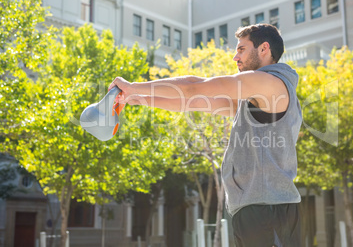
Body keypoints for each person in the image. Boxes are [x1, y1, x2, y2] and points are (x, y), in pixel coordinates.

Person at [109, 23, 302, 247]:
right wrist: (136, 98)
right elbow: (191, 100)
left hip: (268, 210)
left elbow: (194, 86)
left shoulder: (268, 83)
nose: (235, 57)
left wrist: (133, 86)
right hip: (256, 207)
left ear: (264, 49)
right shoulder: (255, 97)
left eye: (241, 49)